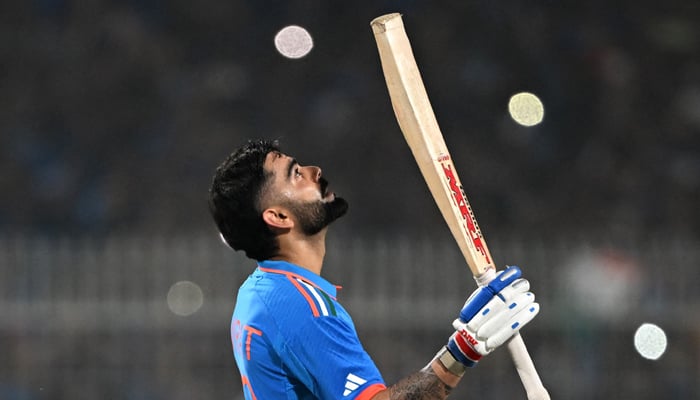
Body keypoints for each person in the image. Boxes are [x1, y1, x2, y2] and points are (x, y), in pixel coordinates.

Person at [208, 138, 540, 399]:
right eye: (296, 174)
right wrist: (461, 350)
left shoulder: (260, 291)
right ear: (279, 217)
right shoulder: (303, 307)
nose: (314, 171)